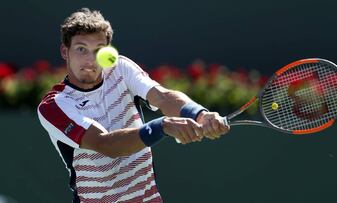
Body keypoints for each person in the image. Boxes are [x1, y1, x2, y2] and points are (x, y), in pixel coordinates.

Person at [37, 8, 229, 203]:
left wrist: (199, 114)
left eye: (98, 50)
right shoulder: (54, 106)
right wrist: (162, 126)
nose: (90, 60)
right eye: (81, 49)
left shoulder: (120, 69)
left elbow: (162, 97)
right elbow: (105, 144)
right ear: (64, 51)